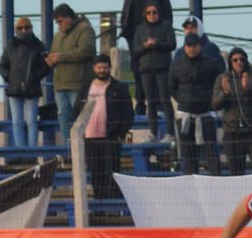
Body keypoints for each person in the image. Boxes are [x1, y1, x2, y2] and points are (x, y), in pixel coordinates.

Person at [81, 53, 133, 198]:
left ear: (110, 68)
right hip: (90, 138)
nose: (102, 70)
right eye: (99, 67)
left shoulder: (119, 88)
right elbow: (77, 109)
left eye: (105, 67)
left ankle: (113, 208)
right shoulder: (86, 87)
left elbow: (128, 112)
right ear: (94, 68)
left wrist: (120, 133)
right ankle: (99, 205)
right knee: (96, 173)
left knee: (112, 173)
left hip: (110, 137)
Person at [170, 32, 222, 174]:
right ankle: (190, 181)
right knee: (188, 153)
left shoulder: (211, 64)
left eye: (194, 45)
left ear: (200, 46)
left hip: (206, 113)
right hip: (185, 114)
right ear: (185, 47)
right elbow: (172, 87)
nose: (191, 48)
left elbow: (219, 85)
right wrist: (182, 100)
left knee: (211, 150)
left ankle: (215, 180)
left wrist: (211, 101)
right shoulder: (177, 64)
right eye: (188, 45)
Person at [213, 47, 252, 175]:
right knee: (236, 173)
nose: (239, 62)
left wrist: (248, 90)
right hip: (232, 131)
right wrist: (225, 93)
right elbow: (215, 104)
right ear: (230, 62)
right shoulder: (223, 78)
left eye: (242, 59)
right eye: (235, 60)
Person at [46, 3, 96, 141]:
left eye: (60, 21)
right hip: (60, 85)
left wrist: (60, 57)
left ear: (69, 17)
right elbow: (53, 53)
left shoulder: (85, 29)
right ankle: (68, 148)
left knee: (81, 117)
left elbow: (86, 51)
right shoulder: (57, 36)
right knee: (63, 116)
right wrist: (50, 59)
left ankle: (84, 147)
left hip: (78, 84)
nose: (59, 25)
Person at [0, 16, 50, 147]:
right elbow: (2, 65)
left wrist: (34, 77)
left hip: (32, 88)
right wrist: (10, 77)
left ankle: (32, 150)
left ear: (31, 28)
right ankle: (21, 150)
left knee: (32, 121)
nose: (23, 30)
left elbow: (46, 66)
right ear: (17, 29)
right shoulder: (11, 45)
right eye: (20, 28)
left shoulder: (38, 45)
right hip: (14, 88)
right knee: (16, 121)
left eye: (26, 27)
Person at [120, 0, 173, 116]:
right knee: (138, 72)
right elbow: (127, 11)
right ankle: (140, 104)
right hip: (134, 36)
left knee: (158, 76)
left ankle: (158, 107)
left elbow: (168, 15)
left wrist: (162, 36)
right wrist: (124, 27)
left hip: (157, 36)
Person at [133, 2, 176, 142]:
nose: (152, 15)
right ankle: (153, 133)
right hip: (146, 70)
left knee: (165, 100)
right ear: (144, 15)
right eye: (149, 13)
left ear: (159, 13)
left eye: (154, 12)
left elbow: (172, 44)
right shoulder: (140, 29)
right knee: (150, 102)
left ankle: (170, 132)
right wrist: (145, 46)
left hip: (163, 68)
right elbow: (135, 50)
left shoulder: (166, 26)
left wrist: (157, 44)